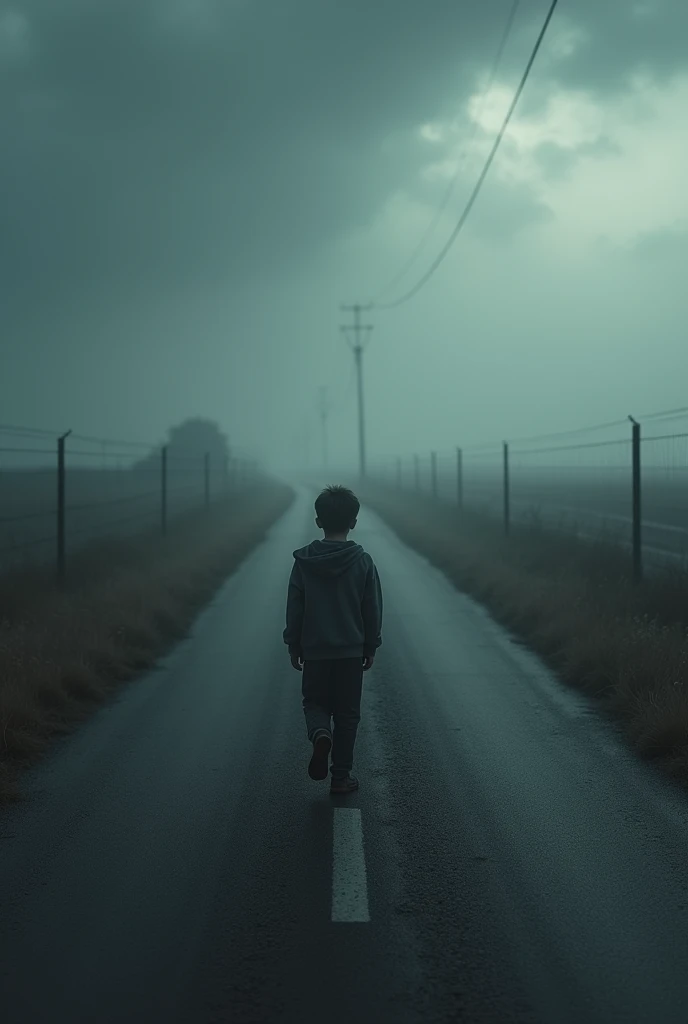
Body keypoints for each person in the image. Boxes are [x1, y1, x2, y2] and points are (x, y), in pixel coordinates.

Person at [284, 485, 383, 794]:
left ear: (318, 521)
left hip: (315, 651)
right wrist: (370, 645)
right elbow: (372, 608)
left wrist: (293, 643)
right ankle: (340, 777)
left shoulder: (304, 563)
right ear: (353, 522)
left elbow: (295, 607)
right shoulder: (363, 562)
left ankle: (319, 735)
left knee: (314, 702)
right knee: (347, 714)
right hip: (350, 654)